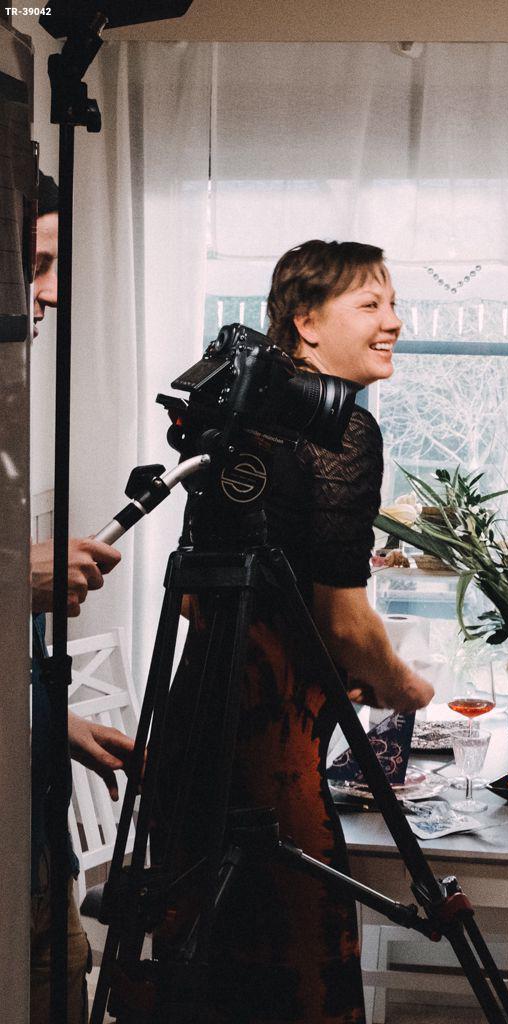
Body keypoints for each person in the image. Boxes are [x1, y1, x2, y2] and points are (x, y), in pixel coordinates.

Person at [152, 240, 434, 1023]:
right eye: (370, 304)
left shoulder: (240, 423)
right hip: (269, 747)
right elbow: (344, 621)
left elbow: (193, 600)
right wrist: (403, 686)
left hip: (192, 731)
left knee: (205, 970)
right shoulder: (345, 433)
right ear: (306, 322)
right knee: (297, 963)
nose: (394, 322)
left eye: (393, 303)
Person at [28, 172, 134, 1024]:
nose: (55, 292)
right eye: (35, 264)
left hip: (35, 839)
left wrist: (51, 721)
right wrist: (11, 578)